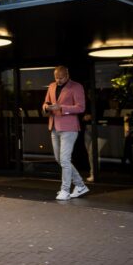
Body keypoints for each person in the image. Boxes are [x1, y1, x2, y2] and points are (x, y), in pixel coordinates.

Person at [42, 66, 89, 201]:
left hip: (69, 128)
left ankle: (65, 190)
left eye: (61, 77)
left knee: (64, 159)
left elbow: (81, 107)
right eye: (56, 77)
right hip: (54, 126)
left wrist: (61, 107)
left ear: (67, 75)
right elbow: (46, 102)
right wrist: (46, 107)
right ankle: (80, 185)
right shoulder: (51, 86)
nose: (58, 80)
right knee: (60, 159)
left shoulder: (76, 86)